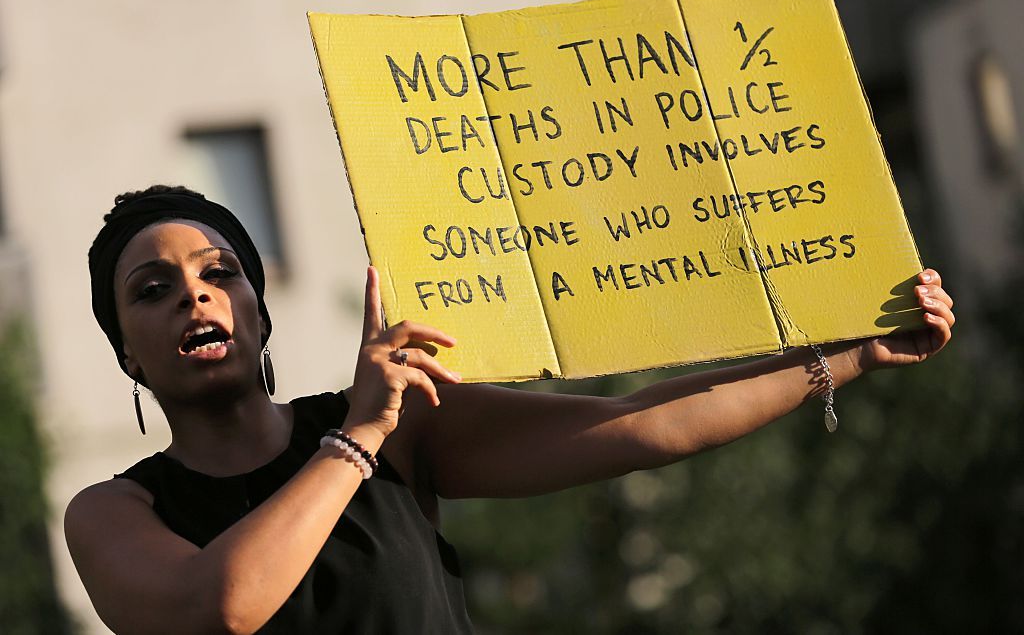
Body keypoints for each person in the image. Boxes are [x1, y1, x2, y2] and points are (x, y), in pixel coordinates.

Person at [65, 185, 955, 634]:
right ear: (127, 353)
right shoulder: (113, 512)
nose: (196, 295)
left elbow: (643, 425)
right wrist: (357, 437)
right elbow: (224, 607)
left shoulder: (406, 426)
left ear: (259, 308)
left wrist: (846, 356)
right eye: (154, 289)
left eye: (221, 273)